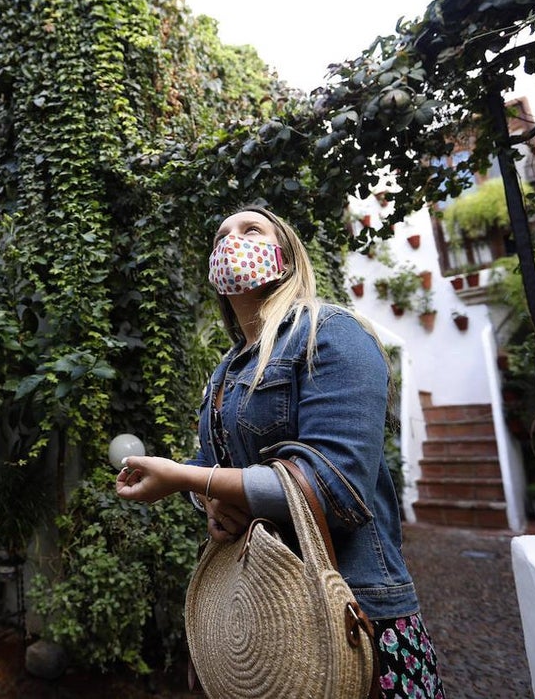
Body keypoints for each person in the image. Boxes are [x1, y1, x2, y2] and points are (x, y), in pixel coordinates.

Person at [116, 206, 445, 698]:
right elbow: (211, 468)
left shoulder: (332, 333)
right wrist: (211, 502)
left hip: (353, 613)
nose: (232, 241)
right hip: (266, 613)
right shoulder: (225, 370)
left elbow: (338, 489)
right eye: (221, 236)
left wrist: (189, 480)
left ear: (285, 260)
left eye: (251, 231)